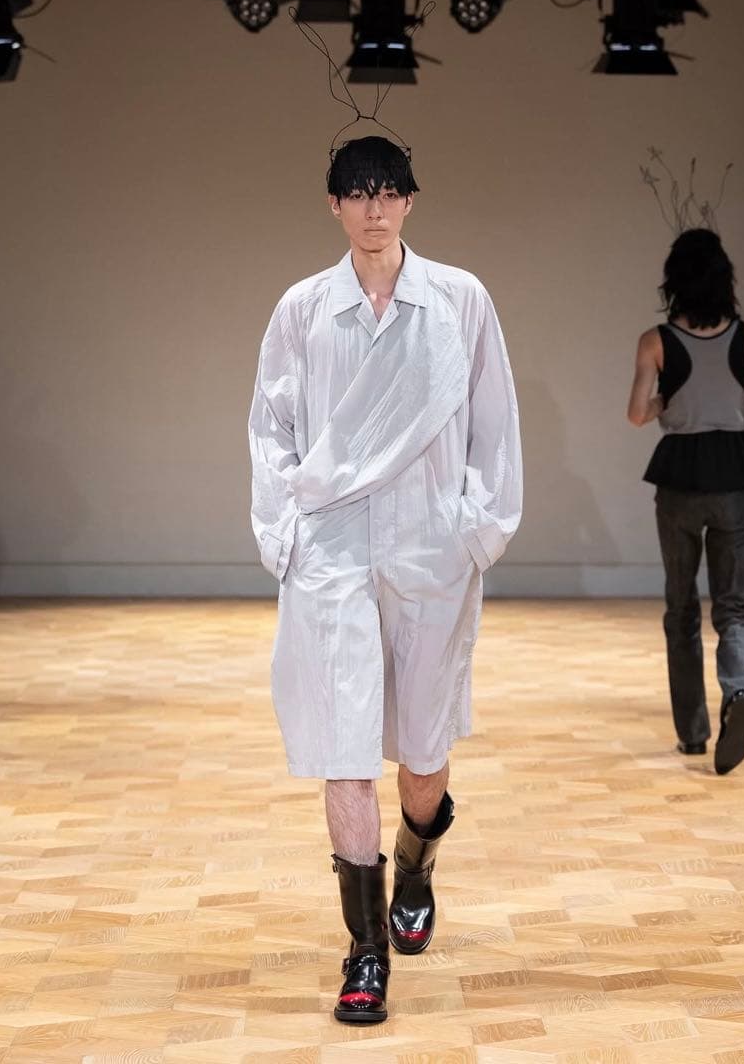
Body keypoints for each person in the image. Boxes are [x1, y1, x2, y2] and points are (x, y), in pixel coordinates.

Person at [248, 136, 522, 1023]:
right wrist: (284, 535)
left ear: (409, 200)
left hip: (429, 549)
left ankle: (416, 861)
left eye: (388, 191)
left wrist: (477, 529)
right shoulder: (302, 308)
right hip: (331, 549)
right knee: (343, 748)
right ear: (333, 205)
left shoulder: (459, 299)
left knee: (423, 754)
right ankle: (365, 952)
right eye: (357, 193)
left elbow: (494, 417)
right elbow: (269, 425)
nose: (374, 208)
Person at [627, 228, 744, 776]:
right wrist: (743, 396)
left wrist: (669, 401)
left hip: (680, 477)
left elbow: (637, 414)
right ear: (725, 279)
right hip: (736, 475)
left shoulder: (655, 341)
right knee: (733, 606)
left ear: (673, 280)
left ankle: (694, 734)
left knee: (681, 608)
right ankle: (739, 689)